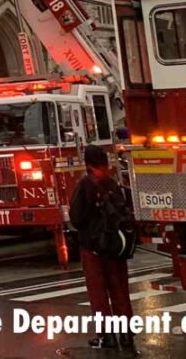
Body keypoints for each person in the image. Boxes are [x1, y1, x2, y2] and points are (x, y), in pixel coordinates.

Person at [69, 146, 135, 350]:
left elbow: (76, 218)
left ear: (87, 163)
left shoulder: (85, 185)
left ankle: (107, 336)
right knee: (120, 289)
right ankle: (126, 335)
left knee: (98, 292)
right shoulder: (113, 184)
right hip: (116, 245)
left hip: (93, 246)